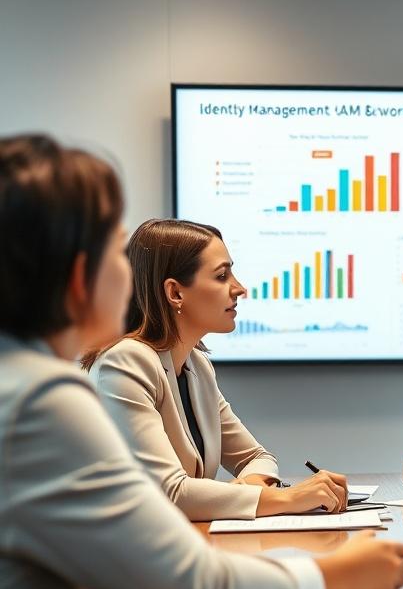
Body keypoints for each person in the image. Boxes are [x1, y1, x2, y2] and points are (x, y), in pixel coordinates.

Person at [0, 134, 403, 589]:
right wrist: (337, 575)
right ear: (83, 277)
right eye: (117, 251)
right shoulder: (43, 399)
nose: (240, 287)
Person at [84, 219, 348, 521]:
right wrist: (285, 497)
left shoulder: (197, 366)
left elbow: (257, 458)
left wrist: (247, 488)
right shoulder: (125, 363)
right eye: (222, 276)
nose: (239, 288)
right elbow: (168, 495)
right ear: (175, 293)